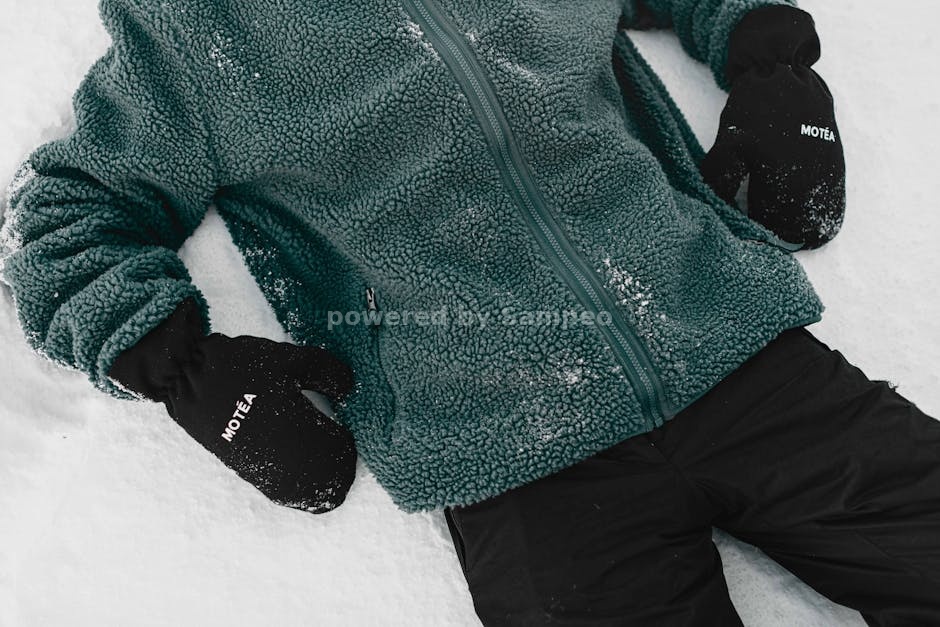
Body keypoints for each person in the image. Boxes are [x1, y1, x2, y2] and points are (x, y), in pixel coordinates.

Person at [0, 0, 936, 624]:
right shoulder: (197, 41)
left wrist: (768, 62)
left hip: (733, 347)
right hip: (512, 456)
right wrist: (187, 372)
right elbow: (62, 220)